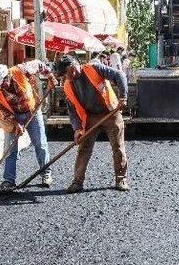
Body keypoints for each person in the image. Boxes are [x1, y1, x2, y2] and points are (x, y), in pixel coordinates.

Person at [53, 55, 129, 193]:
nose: (71, 74)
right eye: (67, 74)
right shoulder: (68, 86)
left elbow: (120, 75)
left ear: (77, 64)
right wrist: (77, 129)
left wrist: (123, 97)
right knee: (83, 149)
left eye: (72, 70)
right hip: (90, 117)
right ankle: (77, 182)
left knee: (117, 147)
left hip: (110, 112)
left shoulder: (95, 69)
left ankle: (121, 178)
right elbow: (73, 111)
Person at [0, 60, 58, 192]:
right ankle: (9, 181)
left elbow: (39, 64)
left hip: (32, 111)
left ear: (7, 76)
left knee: (40, 144)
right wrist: (16, 124)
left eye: (3, 83)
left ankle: (46, 174)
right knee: (10, 149)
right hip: (12, 116)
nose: (1, 87)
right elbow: (1, 110)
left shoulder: (20, 70)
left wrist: (50, 76)